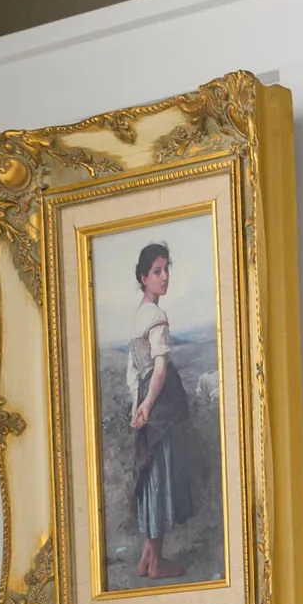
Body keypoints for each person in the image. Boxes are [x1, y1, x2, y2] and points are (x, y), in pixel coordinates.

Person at [123, 241, 192, 581]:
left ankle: (147, 558)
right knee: (159, 473)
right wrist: (148, 406)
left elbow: (133, 370)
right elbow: (159, 370)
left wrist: (137, 403)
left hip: (146, 396)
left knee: (150, 472)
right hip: (160, 400)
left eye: (166, 270)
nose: (164, 277)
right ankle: (156, 563)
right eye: (157, 271)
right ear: (143, 277)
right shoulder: (157, 316)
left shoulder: (138, 315)